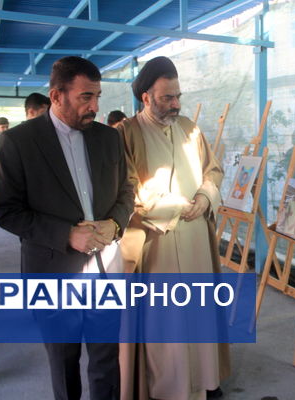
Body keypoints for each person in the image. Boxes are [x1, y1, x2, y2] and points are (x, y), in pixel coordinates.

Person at [0, 56, 134, 400]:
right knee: (64, 361)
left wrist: (115, 224)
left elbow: (127, 190)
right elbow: (7, 211)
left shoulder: (108, 138)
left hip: (105, 270)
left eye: (98, 96)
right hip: (53, 271)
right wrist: (67, 234)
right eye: (85, 97)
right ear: (56, 96)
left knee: (106, 360)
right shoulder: (19, 142)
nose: (95, 107)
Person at [117, 56, 229, 400]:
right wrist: (176, 205)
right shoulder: (124, 134)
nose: (176, 104)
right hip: (155, 245)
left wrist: (205, 198)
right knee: (165, 323)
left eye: (178, 95)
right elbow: (125, 187)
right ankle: (166, 390)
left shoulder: (190, 129)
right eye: (167, 97)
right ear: (145, 97)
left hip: (196, 240)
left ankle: (202, 385)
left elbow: (214, 170)